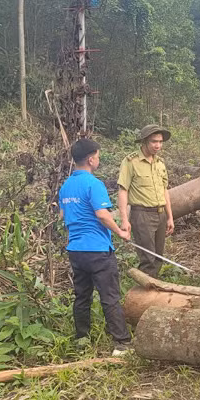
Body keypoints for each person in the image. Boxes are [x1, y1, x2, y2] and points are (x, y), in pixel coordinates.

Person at [58, 138, 133, 356]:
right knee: (109, 296)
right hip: (97, 250)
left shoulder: (66, 185)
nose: (98, 159)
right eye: (98, 156)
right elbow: (102, 214)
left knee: (82, 296)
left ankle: (82, 338)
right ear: (91, 159)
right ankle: (122, 343)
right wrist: (120, 232)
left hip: (76, 250)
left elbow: (62, 214)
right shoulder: (94, 184)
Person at [117, 124, 174, 278]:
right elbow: (123, 191)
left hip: (160, 214)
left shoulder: (160, 163)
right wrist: (124, 220)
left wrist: (169, 217)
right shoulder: (131, 162)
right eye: (154, 142)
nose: (158, 145)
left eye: (160, 142)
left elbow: (164, 190)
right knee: (147, 259)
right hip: (142, 215)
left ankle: (152, 289)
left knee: (158, 257)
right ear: (144, 142)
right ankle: (146, 296)